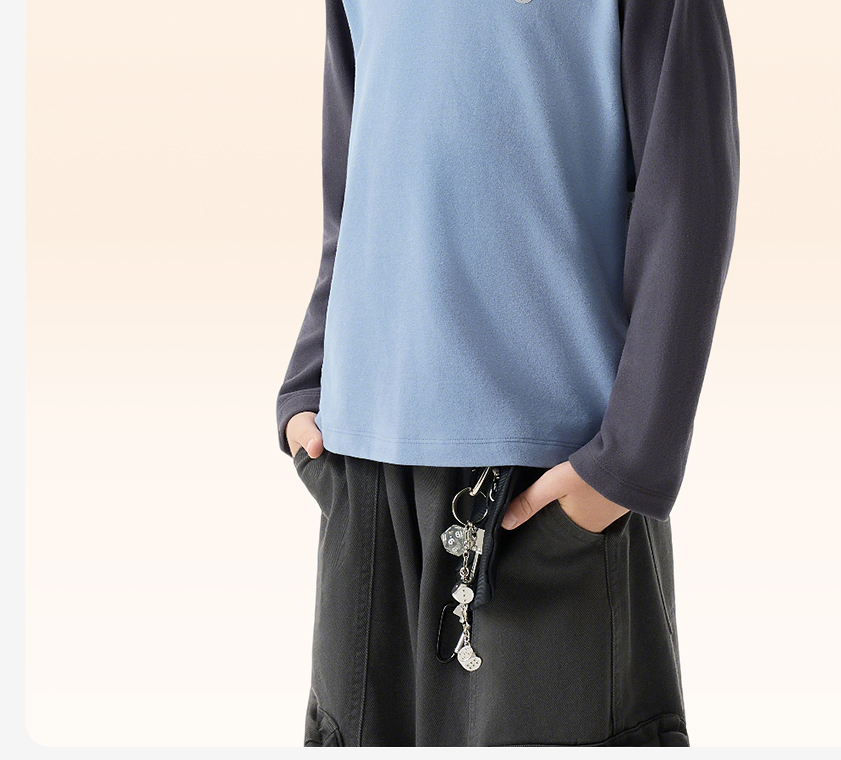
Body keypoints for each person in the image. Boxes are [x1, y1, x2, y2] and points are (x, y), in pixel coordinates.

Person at [277, 0, 740, 747]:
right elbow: (354, 180)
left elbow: (687, 188)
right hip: (362, 465)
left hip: (548, 485)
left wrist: (627, 464)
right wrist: (310, 380)